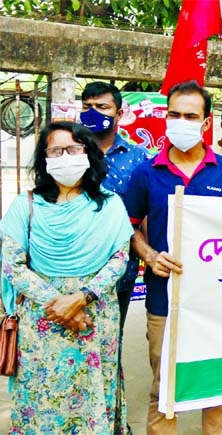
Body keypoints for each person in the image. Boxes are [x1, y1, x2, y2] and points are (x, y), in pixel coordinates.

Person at [125, 80, 222, 434]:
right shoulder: (147, 172)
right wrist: (149, 255)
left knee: (216, 391)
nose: (181, 122)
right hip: (164, 300)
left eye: (190, 116)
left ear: (206, 122)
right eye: (174, 114)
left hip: (216, 301)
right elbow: (128, 226)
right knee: (164, 390)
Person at [1, 121, 133, 433]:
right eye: (56, 150)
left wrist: (81, 298)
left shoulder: (110, 205)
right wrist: (58, 304)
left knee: (92, 393)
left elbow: (120, 259)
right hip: (41, 318)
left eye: (74, 149)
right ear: (45, 158)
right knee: (42, 395)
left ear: (88, 154)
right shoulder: (24, 205)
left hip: (96, 314)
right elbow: (11, 265)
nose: (65, 156)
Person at [80, 81, 149, 330]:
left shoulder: (138, 158)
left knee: (111, 336)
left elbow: (145, 213)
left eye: (102, 106)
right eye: (87, 106)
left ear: (119, 113)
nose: (93, 112)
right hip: (72, 264)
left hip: (120, 267)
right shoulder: (70, 153)